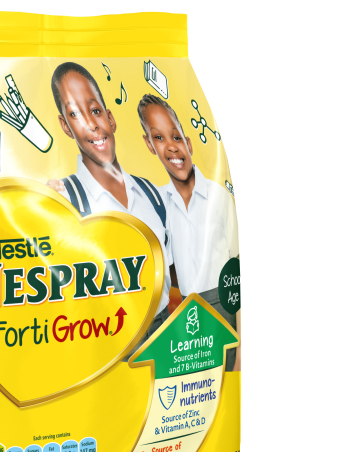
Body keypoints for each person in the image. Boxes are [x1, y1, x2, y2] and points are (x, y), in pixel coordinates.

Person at [46, 62, 173, 348]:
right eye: (75, 114)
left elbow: (176, 279)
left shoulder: (153, 195)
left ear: (110, 119)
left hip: (163, 336)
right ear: (66, 127)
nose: (91, 124)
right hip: (104, 341)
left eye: (95, 111)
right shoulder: (63, 199)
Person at [137, 94, 240, 371]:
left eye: (176, 137)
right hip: (186, 313)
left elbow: (240, 270)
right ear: (149, 145)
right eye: (159, 138)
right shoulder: (157, 203)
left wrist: (242, 348)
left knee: (227, 383)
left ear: (189, 143)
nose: (171, 146)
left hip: (224, 306)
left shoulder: (219, 197)